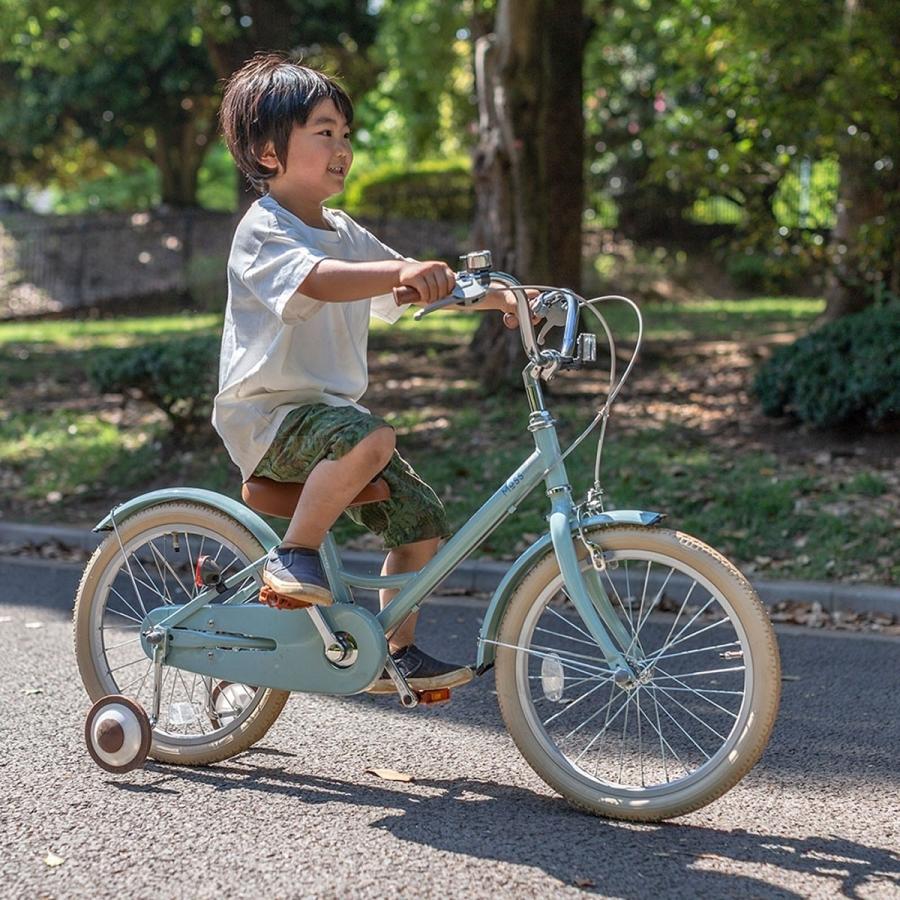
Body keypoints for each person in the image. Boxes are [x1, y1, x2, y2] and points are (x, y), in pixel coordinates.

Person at [214, 52, 529, 694]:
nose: (342, 149)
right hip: (269, 420)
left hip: (330, 425)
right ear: (269, 153)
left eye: (346, 135)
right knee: (372, 435)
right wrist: (400, 271)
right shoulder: (264, 229)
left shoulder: (343, 231)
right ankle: (293, 555)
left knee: (423, 521)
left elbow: (405, 286)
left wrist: (503, 296)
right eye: (323, 132)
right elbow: (321, 280)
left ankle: (395, 651)